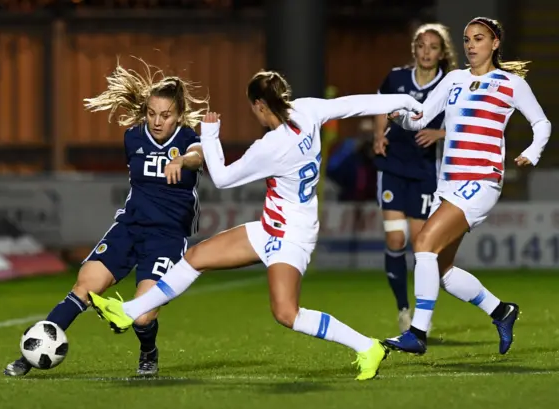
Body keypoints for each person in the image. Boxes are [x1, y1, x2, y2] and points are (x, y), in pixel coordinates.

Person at [88, 70, 423, 381]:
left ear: (261, 105)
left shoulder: (272, 147)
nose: (255, 114)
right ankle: (128, 311)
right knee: (195, 258)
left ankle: (368, 346)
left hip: (291, 236)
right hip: (270, 226)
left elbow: (221, 178)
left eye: (254, 108)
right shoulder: (306, 110)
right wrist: (405, 101)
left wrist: (211, 135)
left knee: (287, 314)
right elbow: (354, 105)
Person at [4, 59, 208, 376]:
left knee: (142, 317)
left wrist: (183, 160)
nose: (157, 121)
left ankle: (148, 352)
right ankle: (32, 356)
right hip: (128, 228)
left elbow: (199, 156)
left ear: (178, 116)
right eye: (152, 113)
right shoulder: (133, 139)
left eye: (165, 115)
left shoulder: (187, 140)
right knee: (85, 285)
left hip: (165, 238)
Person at [384, 17, 551, 355]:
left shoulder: (510, 83)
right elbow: (422, 116)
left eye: (479, 39)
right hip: (449, 184)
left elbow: (541, 122)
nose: (471, 45)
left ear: (495, 43)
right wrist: (399, 117)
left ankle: (417, 333)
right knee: (441, 270)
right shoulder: (454, 80)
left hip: (482, 180)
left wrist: (533, 151)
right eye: (467, 39)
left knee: (424, 243)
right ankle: (502, 311)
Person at [373, 23, 458, 332]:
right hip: (393, 166)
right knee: (396, 239)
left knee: (422, 246)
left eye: (433, 47)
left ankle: (423, 313)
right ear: (414, 49)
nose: (426, 52)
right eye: (422, 46)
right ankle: (403, 309)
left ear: (441, 53)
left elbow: (464, 125)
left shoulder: (450, 86)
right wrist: (378, 135)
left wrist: (439, 133)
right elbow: (381, 106)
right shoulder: (396, 78)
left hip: (425, 172)